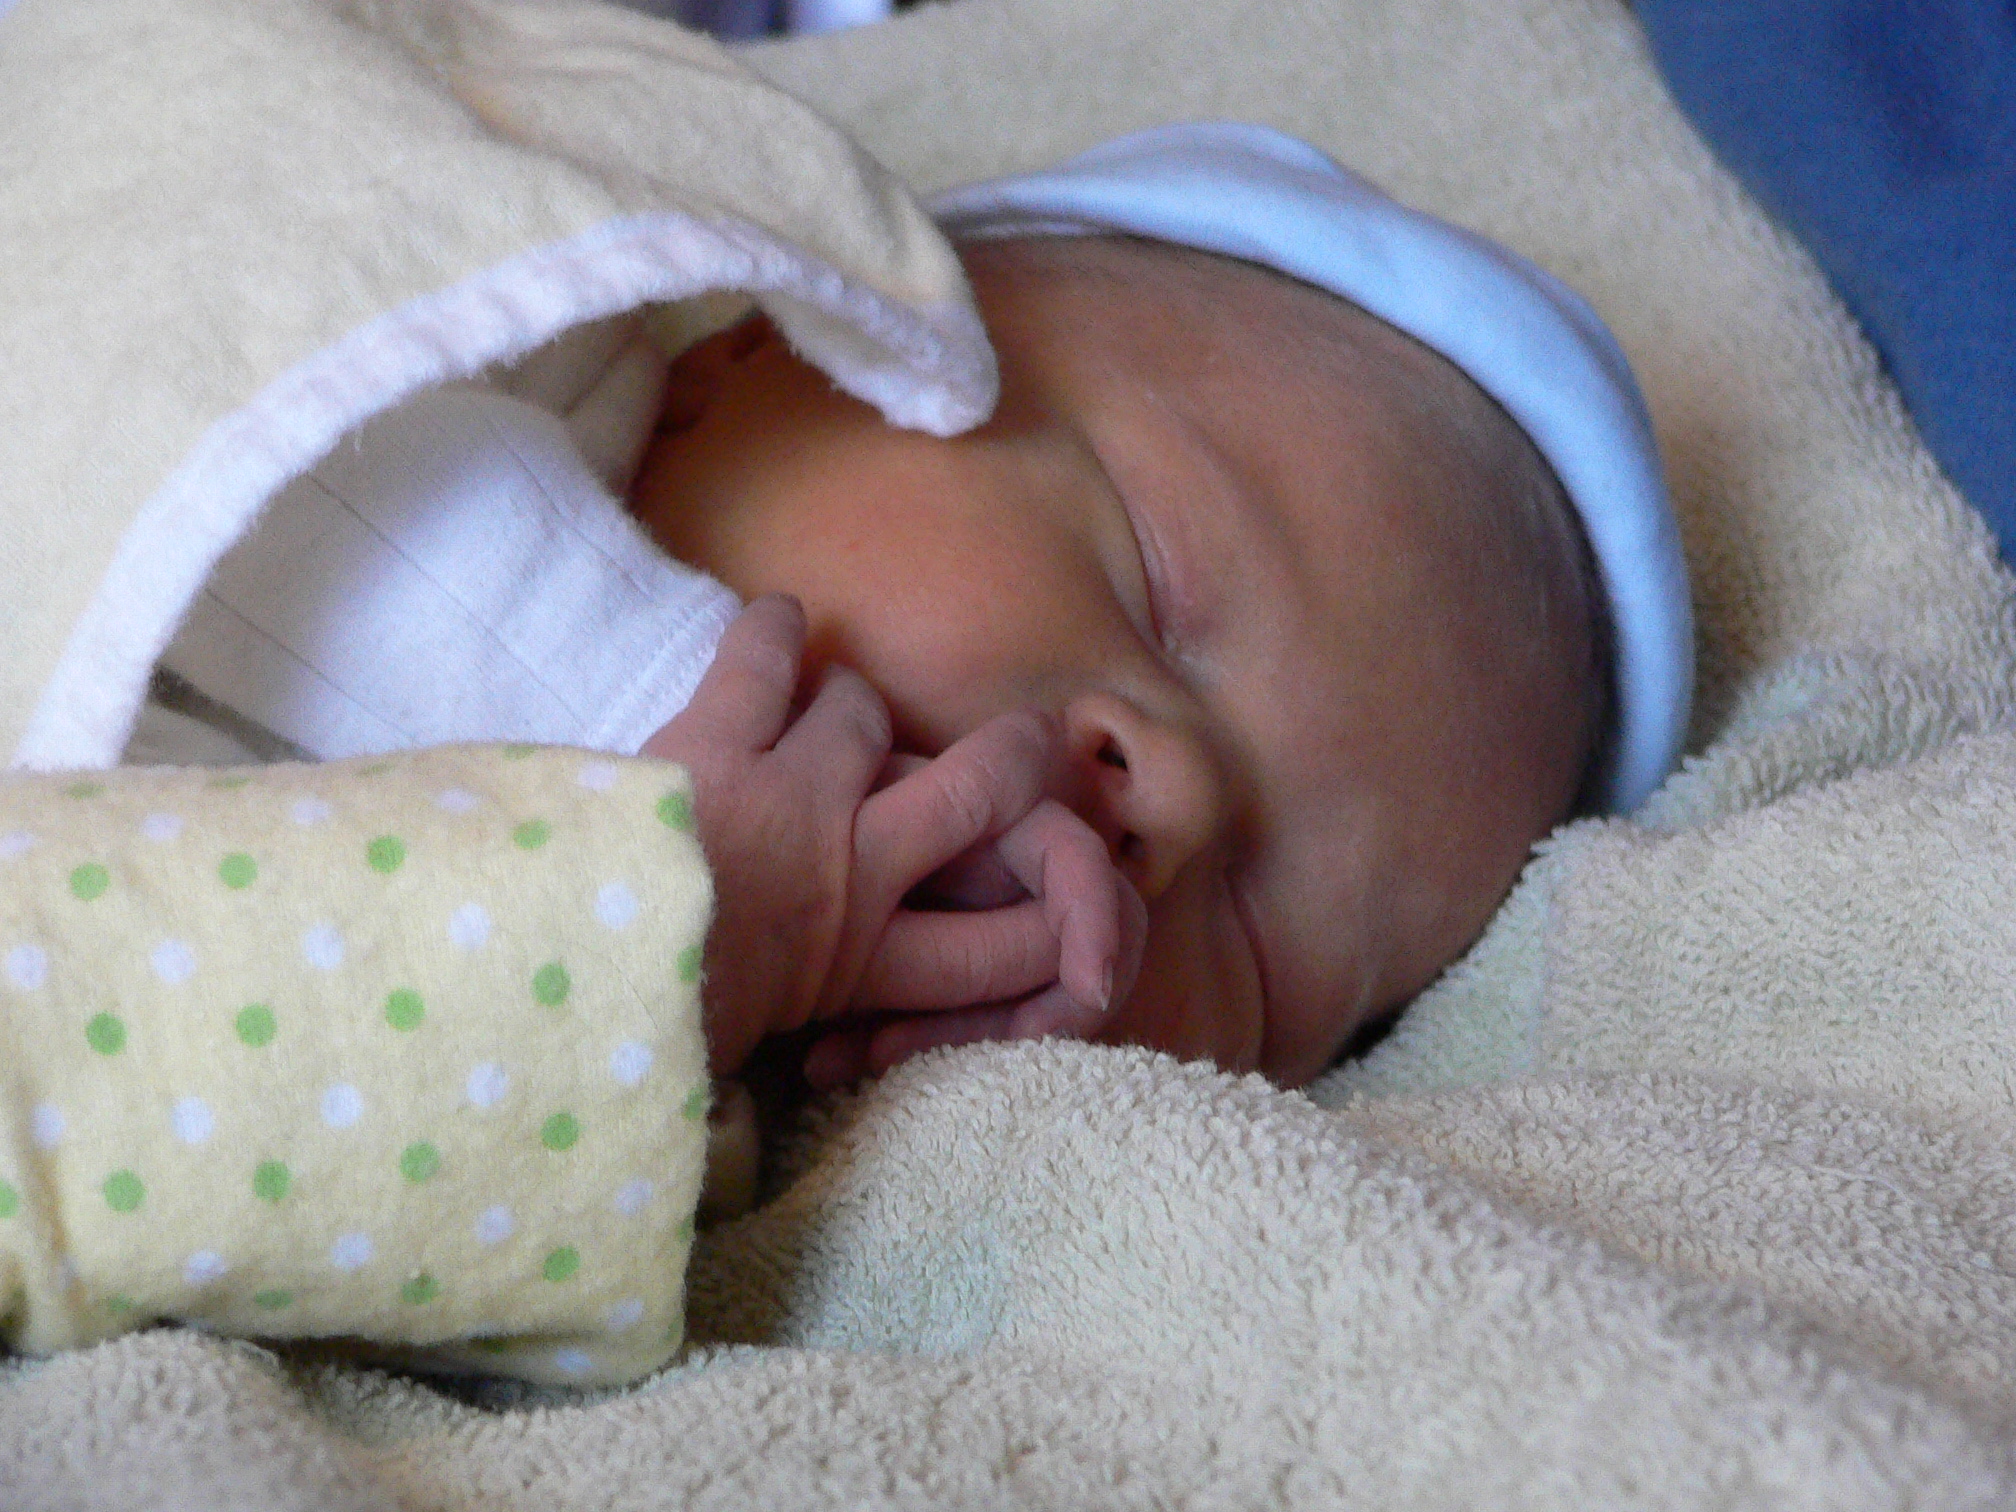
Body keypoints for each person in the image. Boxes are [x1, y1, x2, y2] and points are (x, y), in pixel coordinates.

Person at [0, 124, 1689, 1382]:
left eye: (1267, 952)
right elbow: (182, 330)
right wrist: (627, 898)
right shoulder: (425, 359)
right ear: (779, 339)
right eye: (1157, 583)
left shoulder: (753, 1217)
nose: (1170, 798)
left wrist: (678, 996)